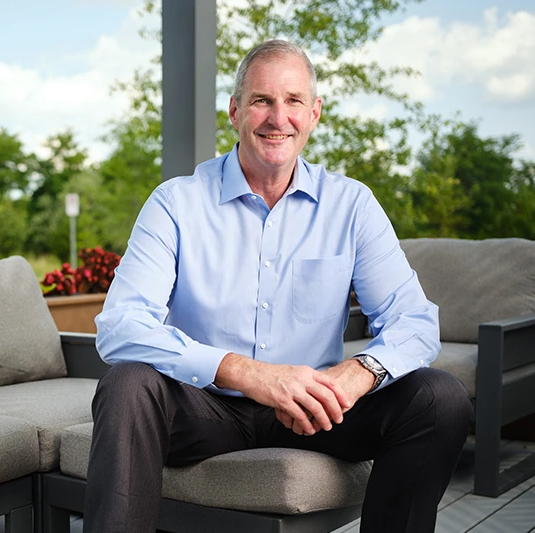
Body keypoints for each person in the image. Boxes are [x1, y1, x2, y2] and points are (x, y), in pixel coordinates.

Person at [84, 39, 474, 533]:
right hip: (208, 407)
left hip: (313, 411)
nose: (277, 117)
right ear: (235, 111)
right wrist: (249, 374)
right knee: (127, 384)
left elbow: (415, 322)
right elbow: (120, 326)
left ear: (314, 114)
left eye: (292, 101)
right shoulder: (175, 204)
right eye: (262, 100)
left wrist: (352, 377)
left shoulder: (351, 206)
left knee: (440, 398)